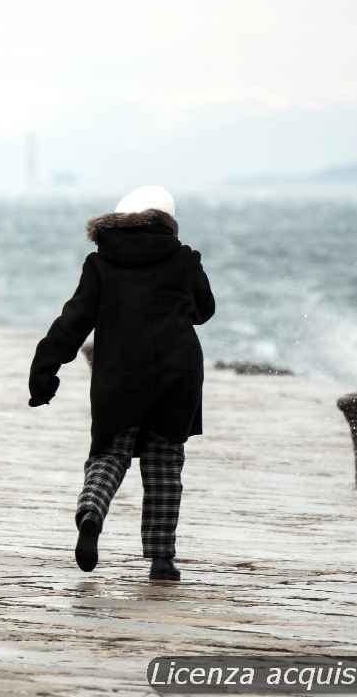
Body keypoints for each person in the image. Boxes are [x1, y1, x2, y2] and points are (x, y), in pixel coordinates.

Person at [28, 185, 215, 582]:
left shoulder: (100, 264)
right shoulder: (182, 260)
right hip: (174, 376)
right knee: (164, 464)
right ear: (167, 220)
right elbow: (205, 311)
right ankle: (161, 560)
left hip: (119, 377)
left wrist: (44, 370)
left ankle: (91, 512)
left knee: (109, 454)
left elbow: (73, 321)